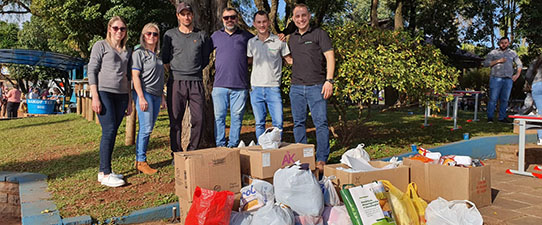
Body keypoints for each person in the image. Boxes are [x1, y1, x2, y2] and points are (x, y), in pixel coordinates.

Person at [287, 4, 335, 171]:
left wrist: (329, 81)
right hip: (296, 88)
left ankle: (322, 159)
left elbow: (330, 57)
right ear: (293, 18)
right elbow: (291, 59)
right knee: (298, 123)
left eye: (303, 15)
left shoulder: (319, 34)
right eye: (297, 16)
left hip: (317, 86)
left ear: (309, 16)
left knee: (320, 123)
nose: (301, 19)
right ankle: (303, 157)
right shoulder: (291, 38)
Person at [88, 16, 132, 187]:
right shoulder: (101, 45)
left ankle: (103, 170)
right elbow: (92, 70)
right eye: (115, 28)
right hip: (104, 92)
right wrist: (95, 96)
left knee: (113, 132)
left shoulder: (127, 51)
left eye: (122, 29)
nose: (119, 31)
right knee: (109, 130)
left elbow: (128, 77)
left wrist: (129, 100)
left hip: (121, 96)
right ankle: (106, 174)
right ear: (109, 29)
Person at [162, 2, 211, 155]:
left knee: (199, 119)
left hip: (196, 82)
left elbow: (204, 59)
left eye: (189, 14)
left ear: (193, 15)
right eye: (183, 14)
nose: (186, 16)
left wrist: (193, 71)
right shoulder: (170, 35)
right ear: (178, 16)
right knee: (175, 120)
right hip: (176, 82)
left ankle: (192, 151)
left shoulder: (201, 35)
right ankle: (176, 153)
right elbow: (165, 58)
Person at [211, 8, 253, 147]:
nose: (229, 20)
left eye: (232, 17)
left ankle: (233, 145)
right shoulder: (215, 36)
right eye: (226, 18)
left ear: (237, 18)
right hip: (219, 85)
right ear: (222, 19)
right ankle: (220, 145)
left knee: (237, 118)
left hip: (240, 85)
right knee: (219, 118)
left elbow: (259, 49)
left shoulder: (247, 36)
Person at [247, 10, 292, 142]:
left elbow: (289, 60)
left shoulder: (279, 41)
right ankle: (262, 151)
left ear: (269, 22)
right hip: (256, 88)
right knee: (259, 123)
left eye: (264, 22)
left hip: (273, 88)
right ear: (254, 24)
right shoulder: (251, 42)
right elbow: (248, 61)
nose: (262, 25)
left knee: (278, 123)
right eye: (259, 22)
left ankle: (275, 151)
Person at [131, 23, 166, 174]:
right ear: (143, 35)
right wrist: (140, 97)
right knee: (145, 128)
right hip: (144, 93)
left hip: (157, 95)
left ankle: (139, 160)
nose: (152, 36)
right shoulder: (139, 53)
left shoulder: (158, 55)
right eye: (148, 33)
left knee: (148, 128)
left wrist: (163, 96)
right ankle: (141, 160)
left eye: (155, 34)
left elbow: (160, 77)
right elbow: (135, 76)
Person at [483, 37, 522, 123]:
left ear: (508, 43)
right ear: (499, 43)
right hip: (496, 78)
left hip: (508, 79)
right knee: (493, 99)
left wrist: (517, 74)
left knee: (505, 99)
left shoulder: (512, 53)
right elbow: (485, 64)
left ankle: (502, 117)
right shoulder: (493, 52)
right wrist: (498, 61)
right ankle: (490, 117)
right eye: (502, 43)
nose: (503, 44)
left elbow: (519, 64)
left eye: (505, 43)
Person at [525, 57, 542, 144]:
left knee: (540, 113)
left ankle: (541, 138)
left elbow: (528, 75)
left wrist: (531, 82)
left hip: (536, 85)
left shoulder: (535, 61)